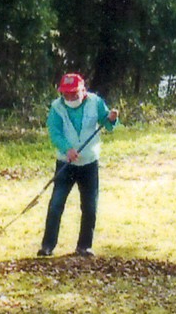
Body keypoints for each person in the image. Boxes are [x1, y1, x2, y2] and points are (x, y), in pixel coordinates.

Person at [39, 72, 119, 257]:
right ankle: (47, 246)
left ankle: (84, 246)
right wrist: (67, 149)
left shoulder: (95, 102)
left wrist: (112, 119)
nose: (70, 97)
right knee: (56, 204)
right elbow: (55, 132)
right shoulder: (56, 107)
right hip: (65, 163)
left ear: (83, 90)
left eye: (73, 93)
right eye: (66, 94)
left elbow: (107, 124)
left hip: (89, 163)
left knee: (90, 205)